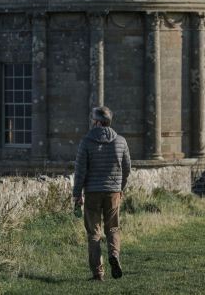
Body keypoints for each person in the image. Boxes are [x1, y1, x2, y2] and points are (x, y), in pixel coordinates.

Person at [73, 106, 131, 281]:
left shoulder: (86, 141)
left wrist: (77, 194)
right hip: (113, 191)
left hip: (92, 192)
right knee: (113, 227)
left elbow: (80, 170)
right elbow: (127, 168)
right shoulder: (121, 141)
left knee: (94, 233)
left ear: (97, 121)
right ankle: (114, 254)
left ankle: (98, 273)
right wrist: (121, 187)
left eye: (93, 120)